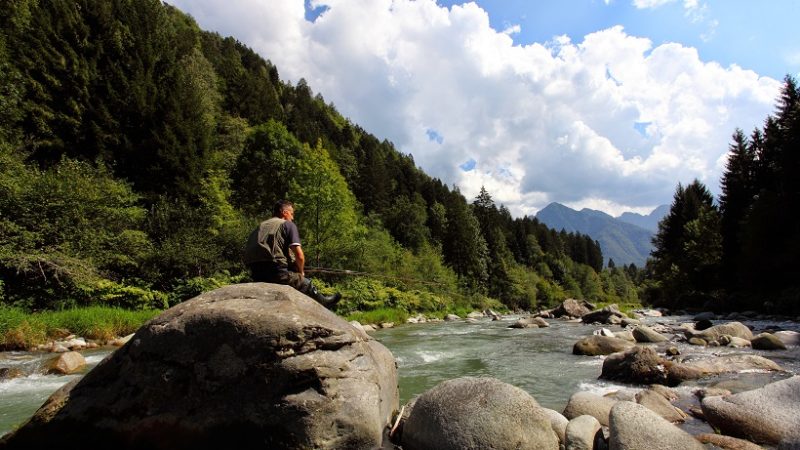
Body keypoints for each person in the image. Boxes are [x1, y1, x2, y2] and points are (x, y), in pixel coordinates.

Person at [243, 200, 341, 307]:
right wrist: (301, 272)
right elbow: (300, 256)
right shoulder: (287, 225)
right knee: (304, 283)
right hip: (277, 273)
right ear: (285, 212)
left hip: (255, 273)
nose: (293, 217)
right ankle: (324, 303)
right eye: (292, 213)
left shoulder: (260, 226)